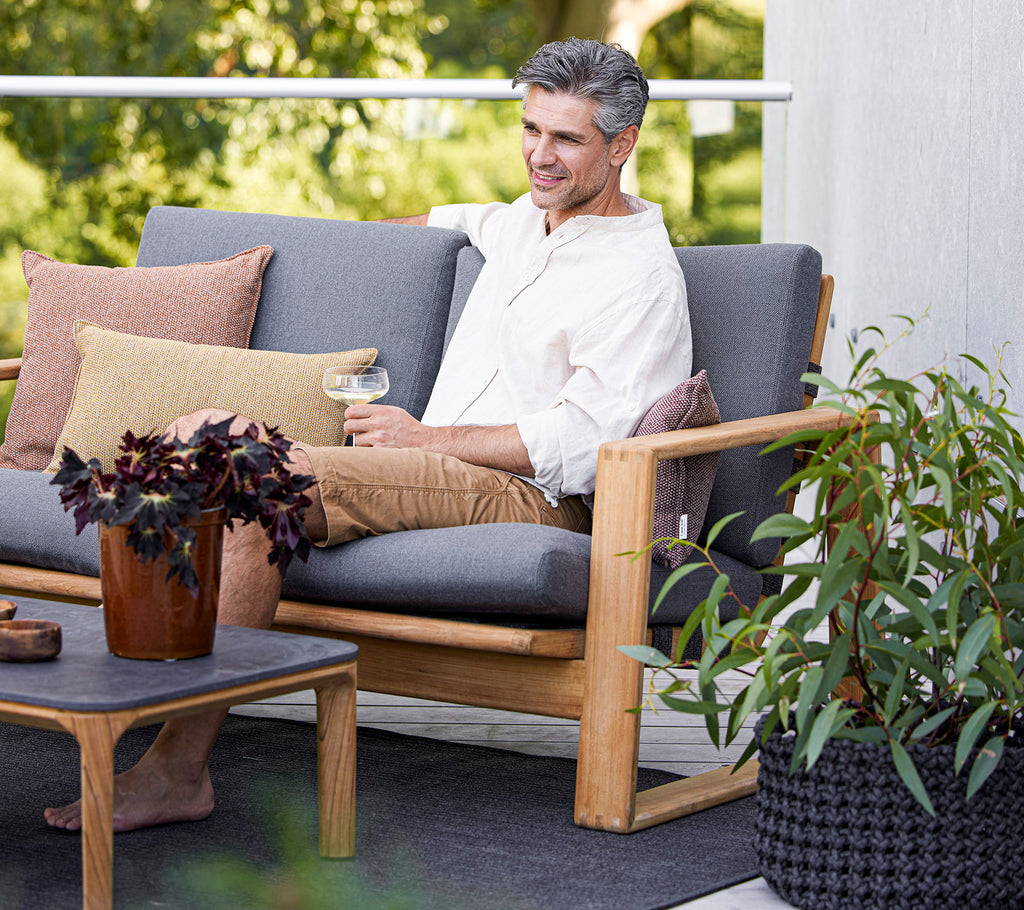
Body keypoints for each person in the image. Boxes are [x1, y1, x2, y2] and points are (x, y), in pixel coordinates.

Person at [44, 36, 692, 833]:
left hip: (535, 496)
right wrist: (338, 252)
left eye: (565, 138)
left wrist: (427, 441)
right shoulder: (528, 223)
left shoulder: (643, 278)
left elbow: (587, 444)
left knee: (227, 451)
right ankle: (160, 744)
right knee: (205, 449)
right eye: (530, 129)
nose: (539, 156)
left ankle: (166, 753)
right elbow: (426, 227)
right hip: (435, 468)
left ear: (622, 144)